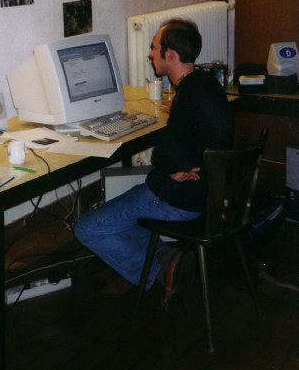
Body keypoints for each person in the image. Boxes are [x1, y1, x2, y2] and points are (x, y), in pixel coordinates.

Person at [74, 18, 233, 304]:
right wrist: (181, 117)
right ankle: (169, 256)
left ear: (169, 54)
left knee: (87, 227)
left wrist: (172, 166)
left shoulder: (189, 95)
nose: (150, 54)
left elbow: (165, 155)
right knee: (123, 212)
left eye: (154, 47)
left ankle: (161, 271)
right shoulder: (204, 83)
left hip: (182, 201)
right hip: (210, 195)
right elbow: (207, 132)